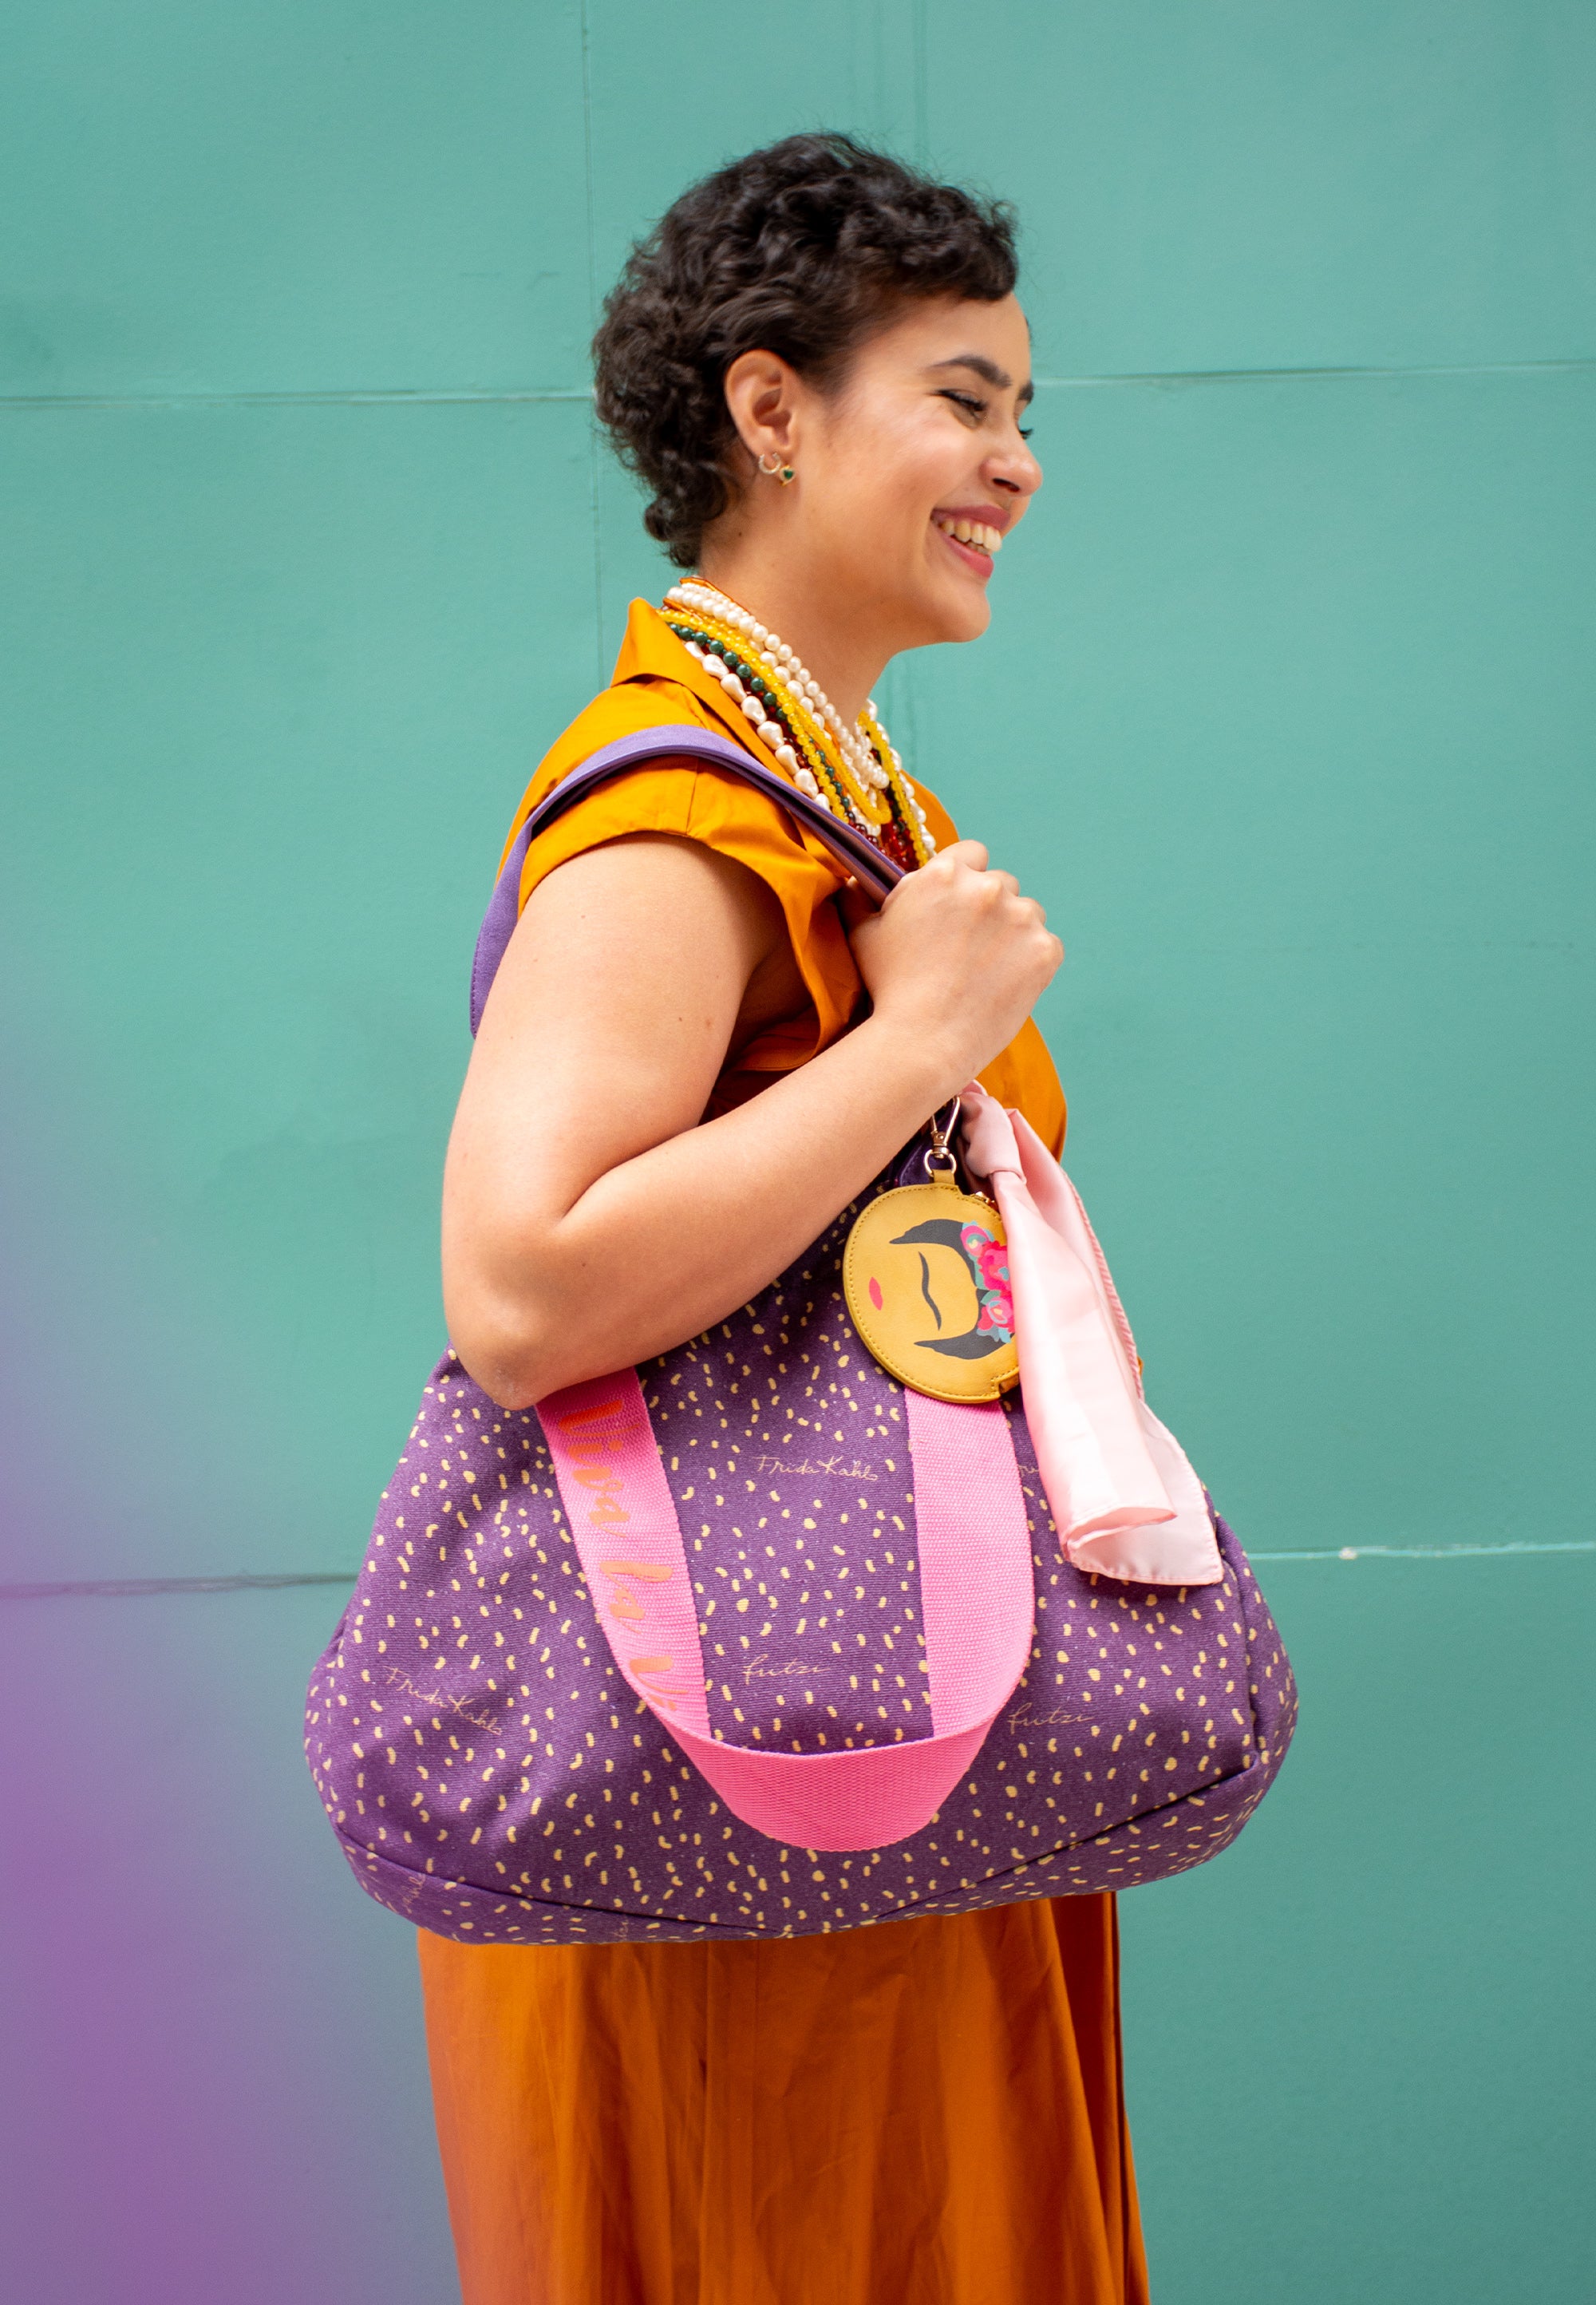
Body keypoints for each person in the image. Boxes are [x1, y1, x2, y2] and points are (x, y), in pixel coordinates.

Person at [421, 132, 1149, 2305]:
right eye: (962, 398)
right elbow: (522, 1291)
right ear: (772, 411)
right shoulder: (677, 810)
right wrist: (917, 1042)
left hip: (866, 1747)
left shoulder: (845, 797)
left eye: (1024, 411)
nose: (1018, 463)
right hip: (733, 1784)